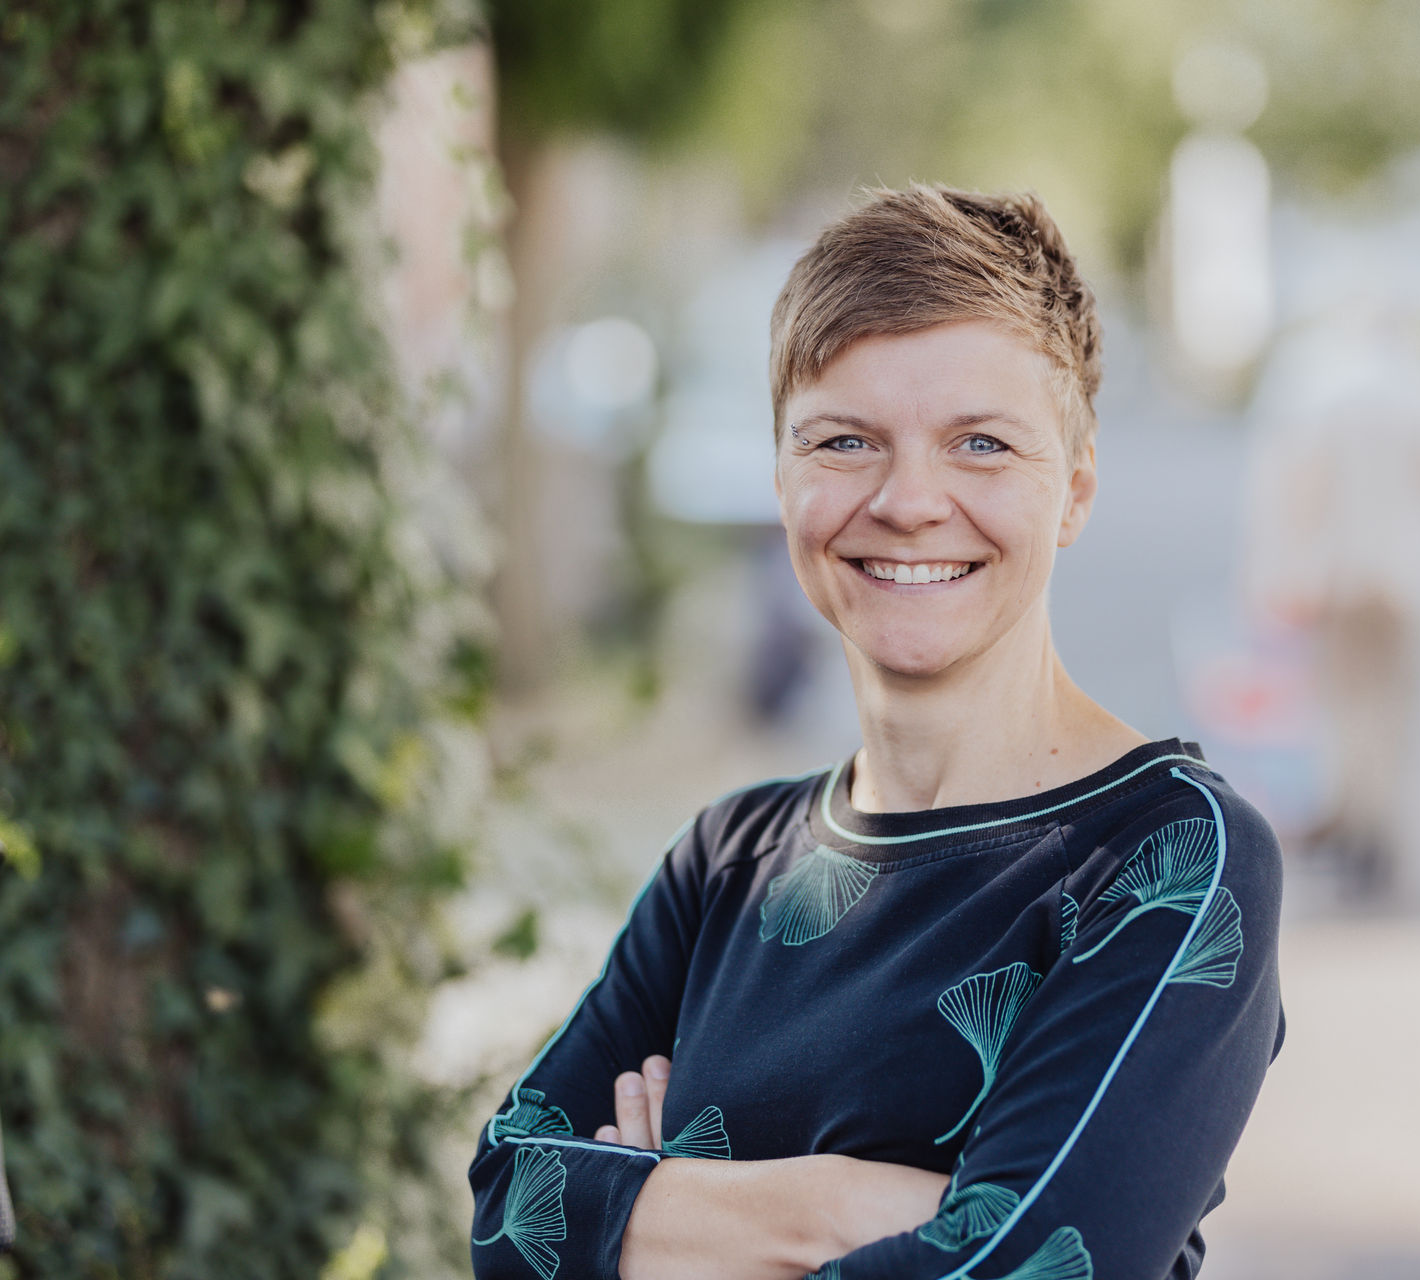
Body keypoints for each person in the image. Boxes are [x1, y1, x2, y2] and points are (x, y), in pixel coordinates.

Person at [468, 186, 1286, 1280]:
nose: (909, 501)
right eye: (845, 441)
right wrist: (846, 1207)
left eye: (981, 444)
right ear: (782, 477)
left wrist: (659, 1211)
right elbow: (510, 1211)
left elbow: (1026, 1262)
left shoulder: (1168, 856)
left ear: (1075, 489)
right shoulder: (729, 860)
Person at [1240, 308, 1420, 899]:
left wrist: (1281, 572)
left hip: (1338, 577)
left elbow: (1301, 490)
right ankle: (1378, 824)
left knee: (1344, 706)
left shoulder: (1319, 390)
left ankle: (1354, 825)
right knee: (1394, 707)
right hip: (1408, 578)